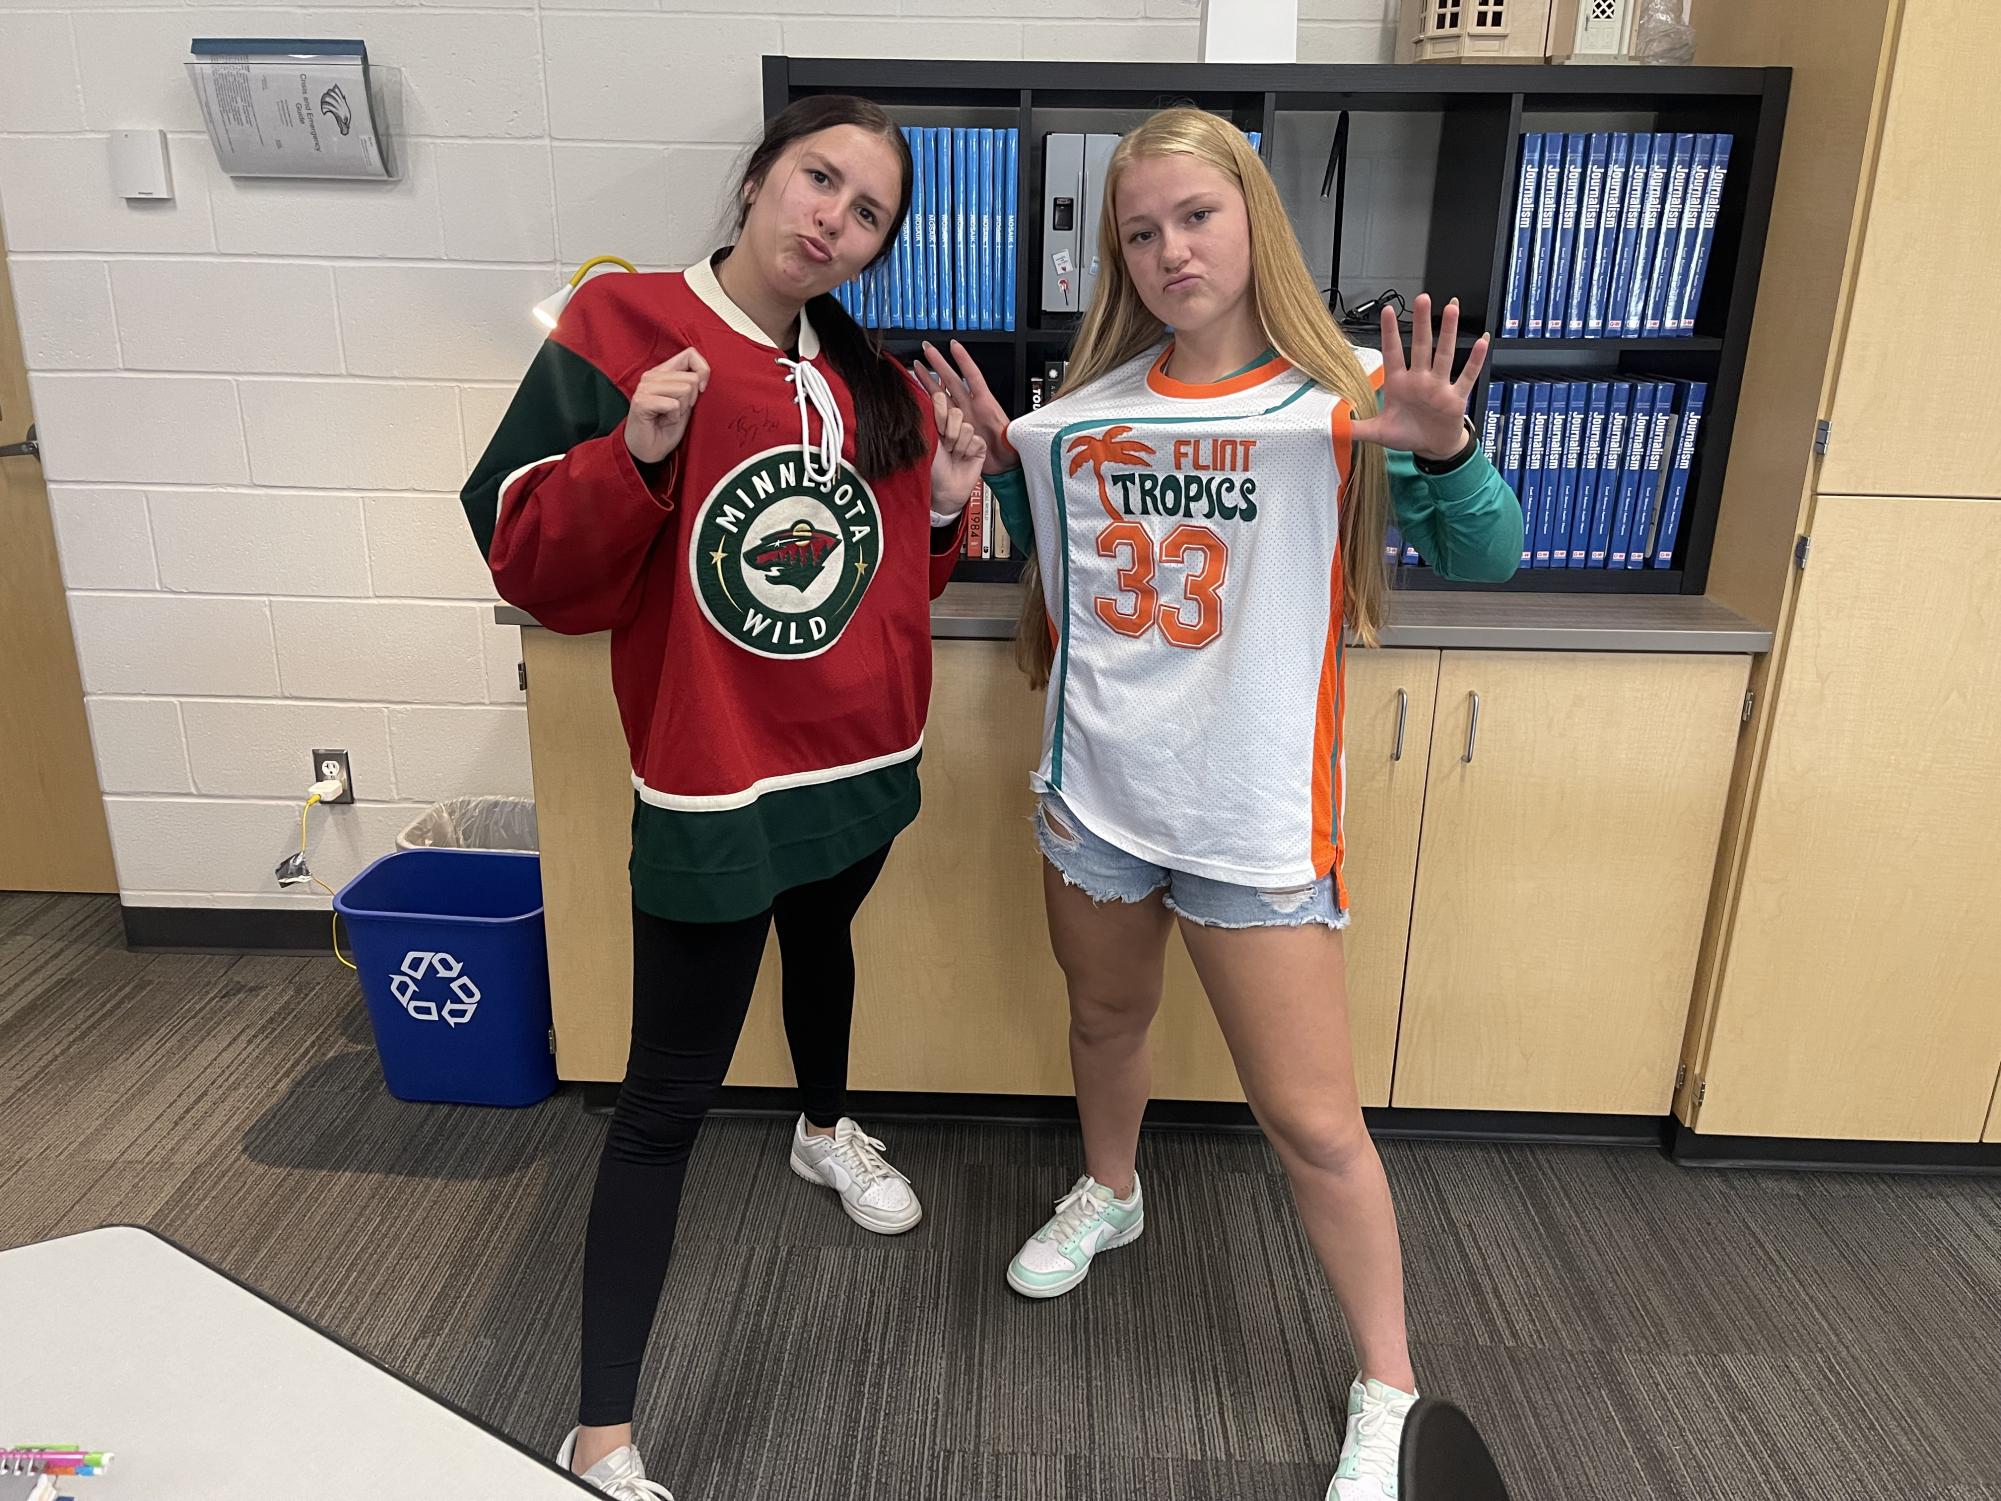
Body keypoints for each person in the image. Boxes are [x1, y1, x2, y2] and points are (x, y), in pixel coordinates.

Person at [917, 106, 1521, 1501]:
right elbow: (1005, 558)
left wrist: (1444, 455)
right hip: (1097, 802)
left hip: (1252, 819)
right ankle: (1112, 1191)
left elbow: (1487, 555)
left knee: (1312, 1123)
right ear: (1115, 256)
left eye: (1195, 215)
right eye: (1139, 230)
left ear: (1253, 216)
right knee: (1101, 1018)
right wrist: (971, 480)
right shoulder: (1077, 420)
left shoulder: (1341, 401)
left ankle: (1388, 1384)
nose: (1170, 248)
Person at [461, 95, 986, 1500]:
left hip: (861, 764)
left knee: (825, 948)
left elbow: (884, 588)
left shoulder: (866, 372)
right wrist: (630, 452)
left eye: (866, 210)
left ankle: (822, 1130)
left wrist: (939, 504)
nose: (832, 216)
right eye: (818, 178)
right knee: (663, 1097)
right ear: (757, 180)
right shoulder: (624, 328)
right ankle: (600, 1434)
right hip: (713, 778)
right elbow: (522, 553)